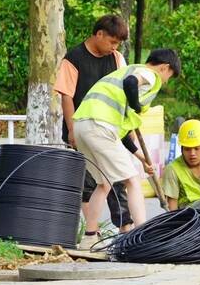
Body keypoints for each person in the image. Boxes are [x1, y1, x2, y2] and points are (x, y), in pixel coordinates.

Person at [73, 49, 181, 249]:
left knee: (104, 183)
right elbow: (131, 84)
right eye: (169, 77)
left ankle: (89, 238)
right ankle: (142, 238)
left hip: (82, 125)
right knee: (132, 180)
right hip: (100, 125)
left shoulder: (122, 73)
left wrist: (142, 158)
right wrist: (137, 105)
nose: (166, 82)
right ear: (165, 68)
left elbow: (122, 136)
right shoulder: (148, 74)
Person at [53, 15, 134, 239]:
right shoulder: (74, 58)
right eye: (112, 42)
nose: (114, 47)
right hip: (83, 129)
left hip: (109, 130)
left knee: (117, 179)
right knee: (89, 182)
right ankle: (93, 233)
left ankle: (125, 228)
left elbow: (124, 93)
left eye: (118, 43)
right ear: (99, 34)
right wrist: (71, 131)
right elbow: (67, 97)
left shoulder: (117, 59)